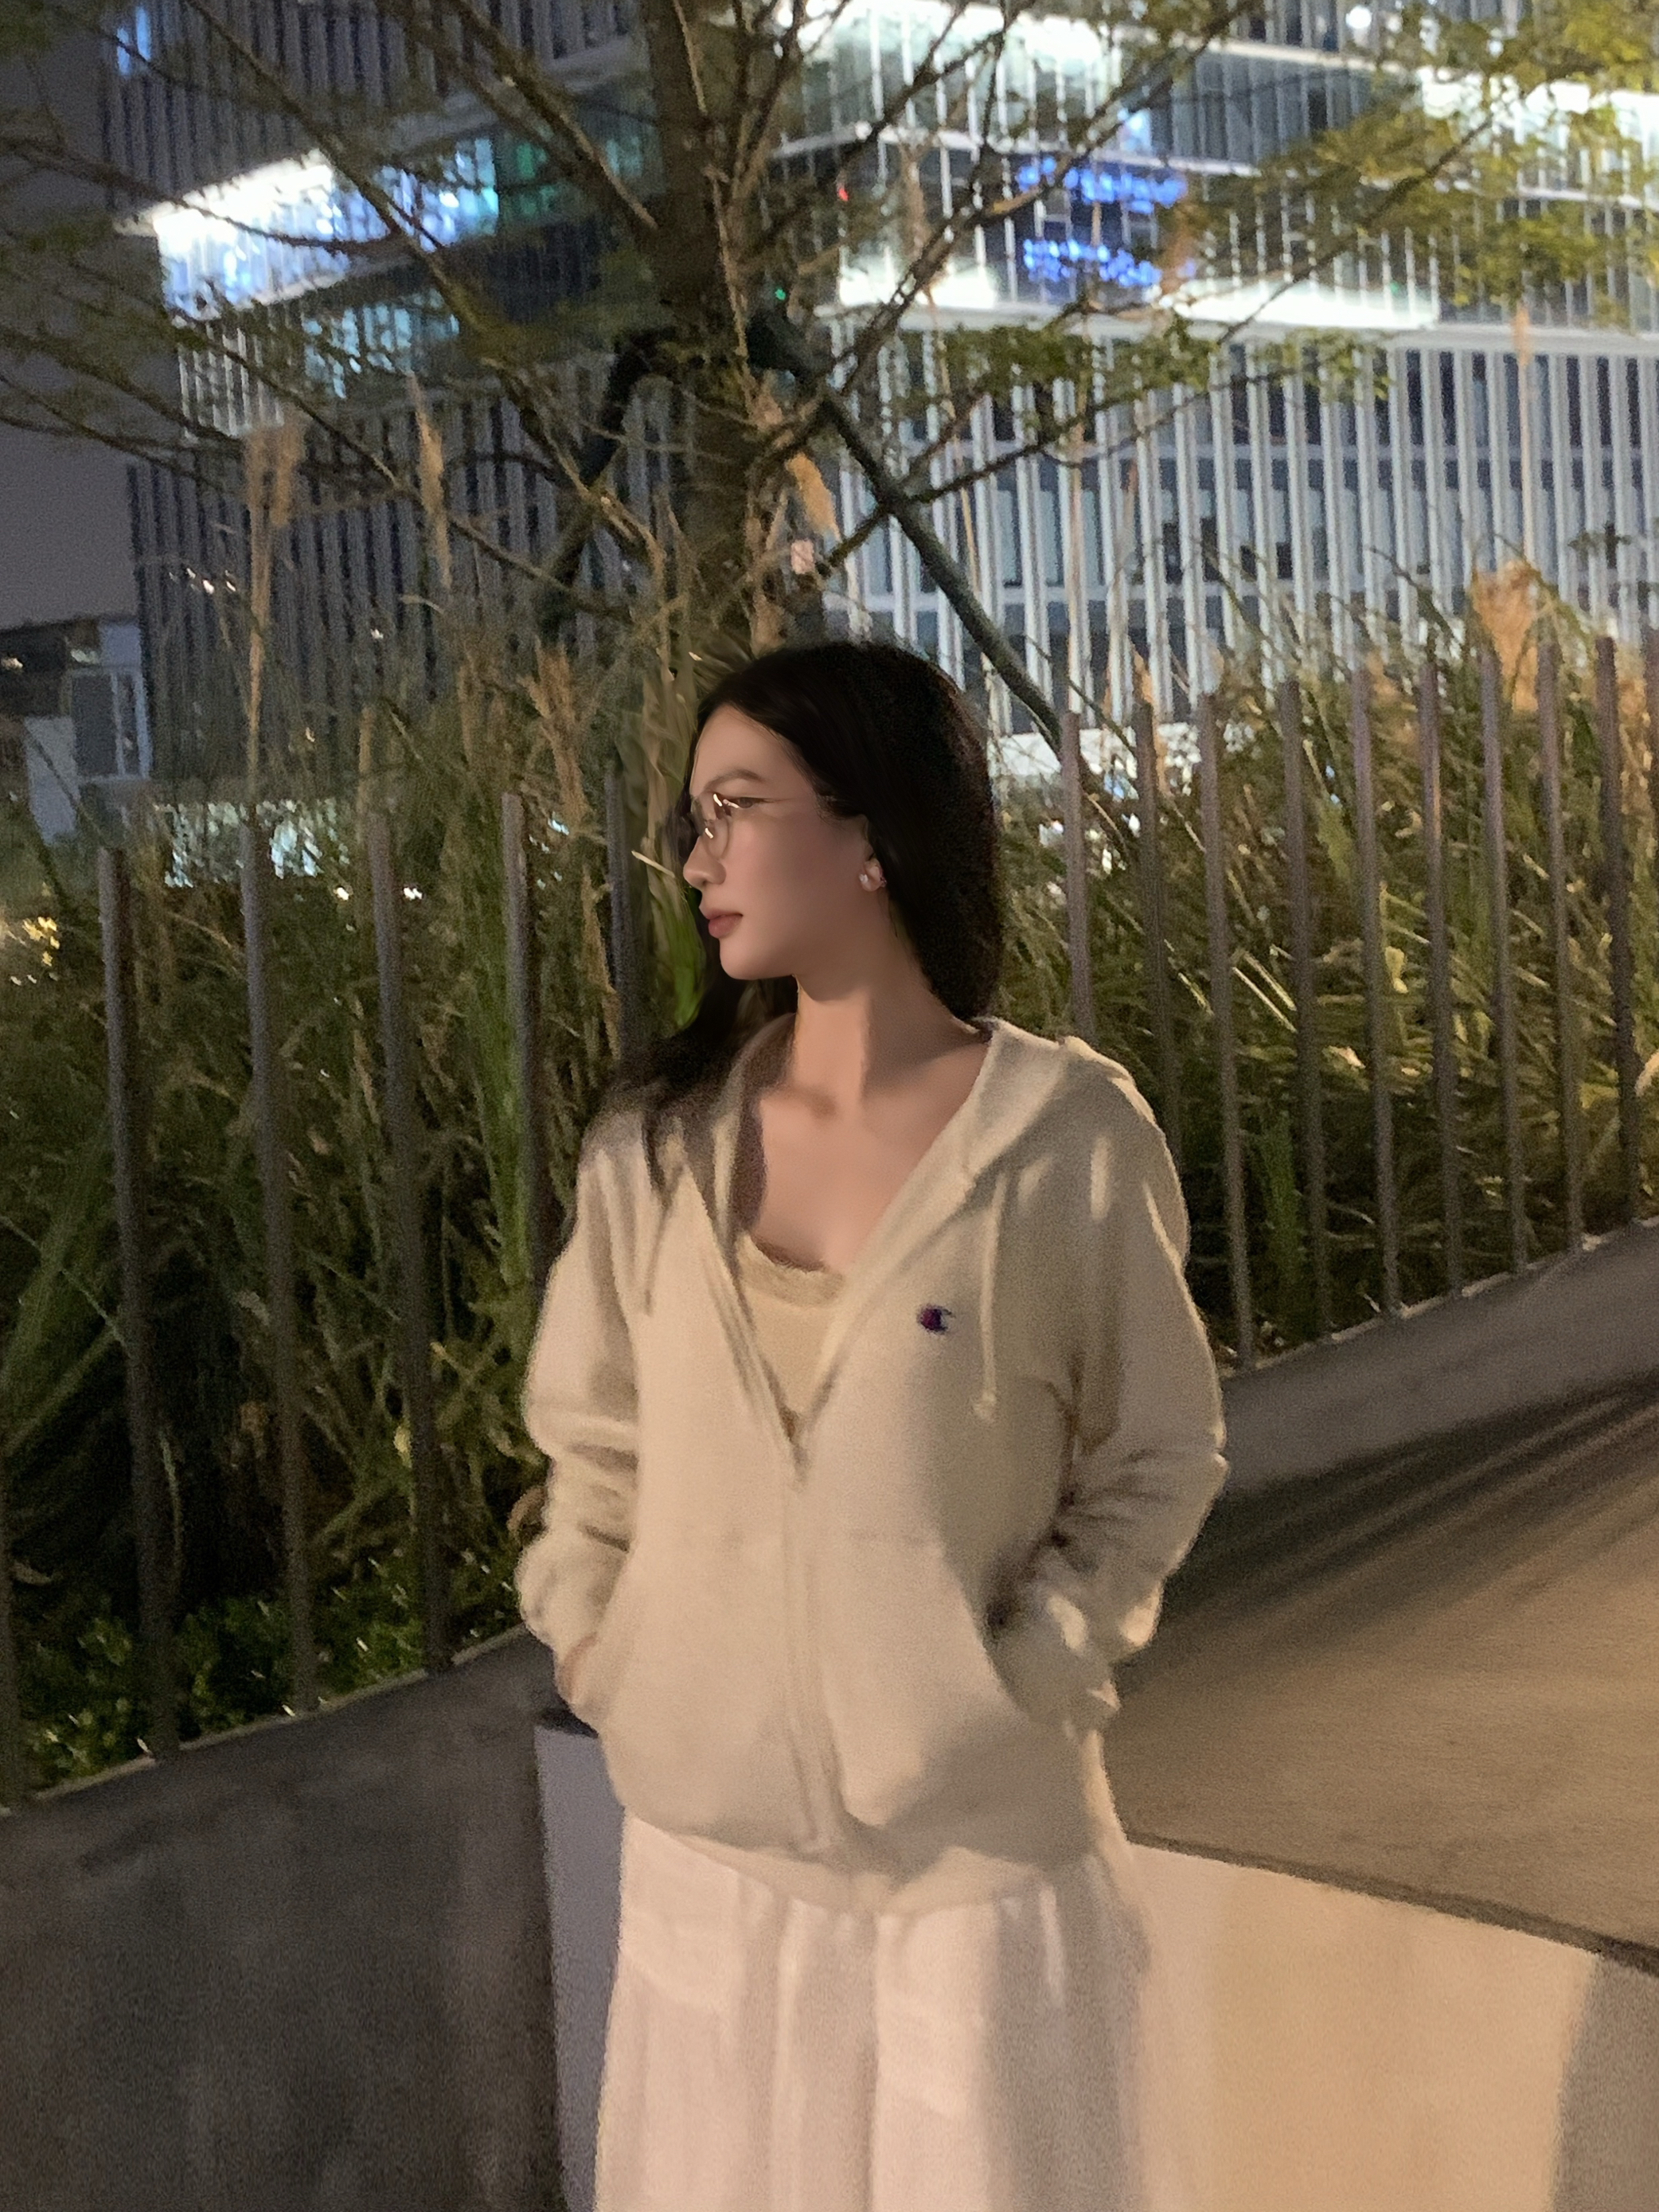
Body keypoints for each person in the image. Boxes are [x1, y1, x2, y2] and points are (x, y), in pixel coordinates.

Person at [514, 639, 1228, 2212]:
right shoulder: (656, 1149)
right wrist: (602, 1649)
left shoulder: (1060, 1140)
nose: (697, 859)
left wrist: (1019, 1678)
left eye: (737, 807)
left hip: (974, 1881)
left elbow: (1157, 1452)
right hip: (712, 1869)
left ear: (870, 835)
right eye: (694, 818)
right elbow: (592, 1447)